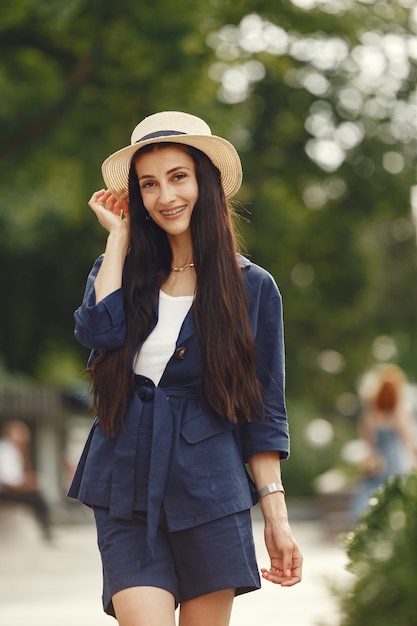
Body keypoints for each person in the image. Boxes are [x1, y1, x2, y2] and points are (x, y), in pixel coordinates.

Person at [68, 111, 302, 626]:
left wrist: (276, 518)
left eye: (178, 177)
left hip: (211, 486)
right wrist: (118, 237)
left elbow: (262, 407)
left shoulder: (253, 287)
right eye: (149, 184)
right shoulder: (118, 270)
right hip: (125, 478)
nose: (165, 196)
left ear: (205, 182)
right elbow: (99, 333)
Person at [350, 363, 417, 521]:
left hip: (379, 464)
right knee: (397, 501)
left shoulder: (370, 414)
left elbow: (369, 444)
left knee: (373, 500)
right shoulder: (399, 412)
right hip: (396, 463)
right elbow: (408, 441)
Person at [0, 420, 52, 540]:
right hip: (4, 491)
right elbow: (8, 482)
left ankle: (45, 528)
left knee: (37, 492)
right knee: (37, 497)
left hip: (9, 489)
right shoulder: (6, 451)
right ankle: (45, 529)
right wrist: (28, 484)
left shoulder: (15, 451)